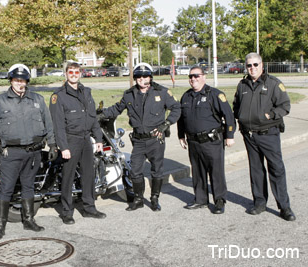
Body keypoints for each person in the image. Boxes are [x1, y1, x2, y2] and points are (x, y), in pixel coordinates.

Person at [0, 63, 58, 239]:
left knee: (28, 187)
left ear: (27, 81)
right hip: (11, 153)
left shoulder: (38, 100)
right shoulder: (0, 101)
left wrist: (53, 145)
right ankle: (0, 226)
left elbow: (49, 124)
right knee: (6, 188)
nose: (20, 83)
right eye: (16, 80)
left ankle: (29, 221)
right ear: (11, 80)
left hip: (33, 153)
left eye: (23, 80)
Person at [98, 63, 181, 212]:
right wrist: (100, 114)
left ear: (150, 77)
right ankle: (138, 199)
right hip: (138, 140)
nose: (142, 79)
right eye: (139, 77)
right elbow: (117, 109)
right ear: (135, 78)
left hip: (155, 138)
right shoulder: (129, 94)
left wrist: (166, 124)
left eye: (145, 76)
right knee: (135, 171)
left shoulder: (161, 92)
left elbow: (176, 108)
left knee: (157, 171)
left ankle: (155, 199)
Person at [233, 52, 296, 221]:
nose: (252, 68)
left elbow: (285, 106)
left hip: (268, 133)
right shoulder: (242, 85)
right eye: (249, 65)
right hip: (249, 135)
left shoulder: (274, 84)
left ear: (262, 65)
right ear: (245, 67)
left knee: (276, 169)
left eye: (255, 65)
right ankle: (260, 202)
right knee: (256, 170)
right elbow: (236, 105)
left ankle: (284, 207)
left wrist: (270, 115)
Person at [49, 62, 106, 225]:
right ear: (66, 74)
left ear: (80, 73)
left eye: (76, 72)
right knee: (68, 177)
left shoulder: (86, 92)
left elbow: (92, 118)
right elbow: (57, 124)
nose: (74, 75)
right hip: (70, 140)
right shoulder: (58, 96)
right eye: (71, 72)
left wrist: (99, 139)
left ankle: (89, 208)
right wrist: (63, 146)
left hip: (86, 139)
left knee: (89, 175)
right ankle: (67, 212)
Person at [177, 66, 235, 214]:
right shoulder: (186, 96)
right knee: (197, 171)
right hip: (193, 142)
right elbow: (181, 119)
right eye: (190, 76)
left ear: (204, 77)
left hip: (212, 141)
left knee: (216, 172)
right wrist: (180, 135)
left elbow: (228, 116)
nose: (193, 79)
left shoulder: (215, 95)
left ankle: (219, 201)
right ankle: (200, 199)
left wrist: (229, 136)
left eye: (196, 76)